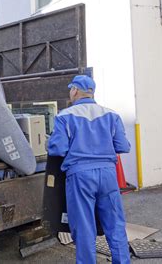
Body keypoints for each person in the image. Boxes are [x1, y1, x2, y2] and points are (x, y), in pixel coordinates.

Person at [48, 75, 131, 264]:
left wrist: (49, 141)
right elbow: (123, 146)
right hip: (108, 175)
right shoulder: (111, 115)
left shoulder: (64, 116)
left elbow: (57, 149)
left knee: (84, 227)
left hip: (80, 176)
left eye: (71, 89)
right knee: (115, 225)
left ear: (75, 90)